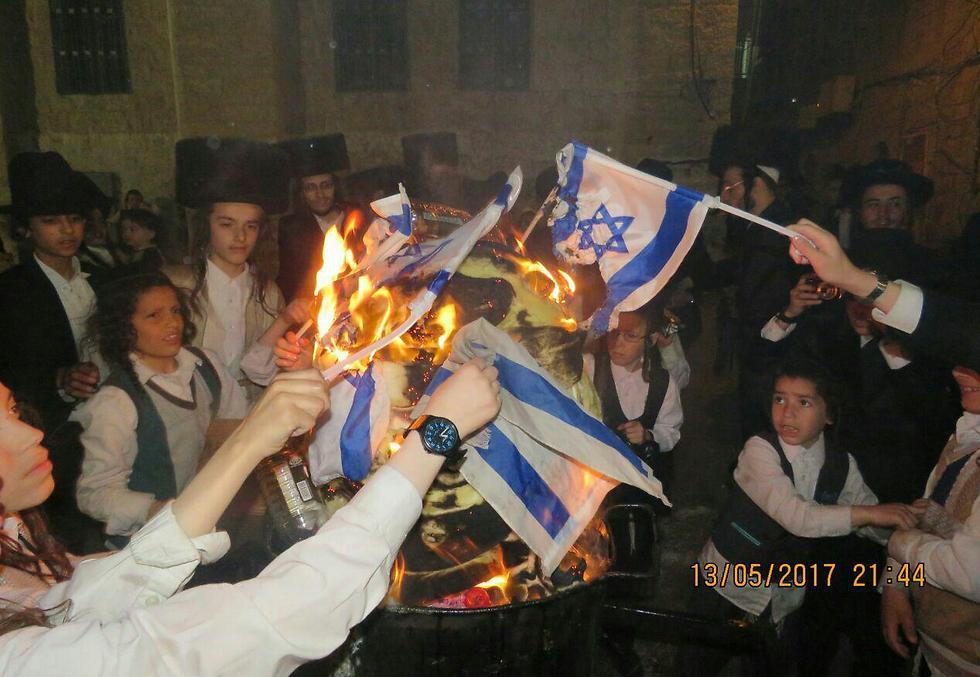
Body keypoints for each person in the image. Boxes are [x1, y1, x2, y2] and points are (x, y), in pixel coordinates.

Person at [0, 359, 501, 675]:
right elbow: (264, 623)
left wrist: (253, 438)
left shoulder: (13, 543)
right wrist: (436, 434)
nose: (30, 435)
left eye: (12, 410)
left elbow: (116, 584)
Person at [678, 358, 916, 675]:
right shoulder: (759, 450)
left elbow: (875, 527)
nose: (787, 413)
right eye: (779, 399)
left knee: (768, 667)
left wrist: (905, 524)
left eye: (803, 402)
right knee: (695, 665)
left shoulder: (841, 465)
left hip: (785, 597)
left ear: (829, 414)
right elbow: (797, 517)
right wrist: (872, 513)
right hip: (725, 584)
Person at [73, 274, 249, 542]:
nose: (172, 323)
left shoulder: (205, 366)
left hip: (213, 531)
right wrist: (161, 511)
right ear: (124, 327)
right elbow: (94, 493)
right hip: (150, 546)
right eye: (154, 316)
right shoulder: (116, 400)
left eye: (175, 311)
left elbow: (239, 426)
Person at [0, 152, 108, 548]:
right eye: (51, 221)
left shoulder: (106, 277)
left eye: (75, 219)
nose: (66, 230)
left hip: (113, 434)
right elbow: (8, 373)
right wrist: (59, 380)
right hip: (53, 444)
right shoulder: (10, 292)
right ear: (25, 228)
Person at [168, 140, 309, 401]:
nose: (240, 236)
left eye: (251, 226)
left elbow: (267, 367)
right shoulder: (176, 286)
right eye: (226, 224)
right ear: (206, 225)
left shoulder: (267, 292)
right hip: (191, 408)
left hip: (249, 410)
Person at [880, 365, 980, 675]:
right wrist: (894, 585)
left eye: (974, 364)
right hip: (933, 645)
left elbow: (971, 571)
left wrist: (900, 545)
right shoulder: (967, 432)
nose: (957, 374)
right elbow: (930, 511)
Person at [787, 220, 980, 370]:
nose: (863, 306)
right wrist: (854, 280)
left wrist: (855, 280)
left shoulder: (920, 354)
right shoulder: (829, 332)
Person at [718, 159, 805, 440]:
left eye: (731, 187)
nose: (724, 197)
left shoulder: (776, 235)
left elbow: (760, 304)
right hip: (758, 356)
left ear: (756, 185)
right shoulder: (755, 231)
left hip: (773, 362)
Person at [583, 308, 684, 493]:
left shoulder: (662, 381)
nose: (617, 343)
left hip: (642, 483)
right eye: (614, 333)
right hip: (596, 479)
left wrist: (648, 436)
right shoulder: (590, 368)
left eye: (630, 336)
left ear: (651, 340)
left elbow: (671, 429)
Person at [276, 134, 365, 302]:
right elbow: (288, 281)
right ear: (301, 193)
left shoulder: (355, 218)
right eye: (311, 188)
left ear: (335, 186)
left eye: (326, 185)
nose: (320, 195)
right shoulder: (291, 228)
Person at [118, 208, 165, 273]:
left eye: (133, 229)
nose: (126, 233)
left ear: (151, 234)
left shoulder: (151, 253)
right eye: (124, 229)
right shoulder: (137, 251)